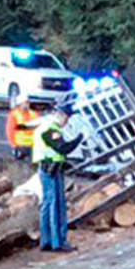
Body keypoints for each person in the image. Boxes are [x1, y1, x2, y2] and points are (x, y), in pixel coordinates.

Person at [31, 106, 82, 252]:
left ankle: (46, 240)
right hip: (51, 171)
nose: (67, 122)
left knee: (47, 204)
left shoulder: (45, 126)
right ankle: (58, 241)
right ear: (61, 116)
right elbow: (62, 148)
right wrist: (78, 139)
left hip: (47, 168)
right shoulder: (50, 129)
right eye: (67, 118)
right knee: (56, 206)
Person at [5, 93, 38, 160]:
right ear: (19, 104)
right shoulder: (14, 114)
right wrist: (13, 144)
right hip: (20, 145)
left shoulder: (34, 114)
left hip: (32, 145)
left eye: (27, 102)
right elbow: (10, 130)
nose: (27, 104)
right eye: (25, 102)